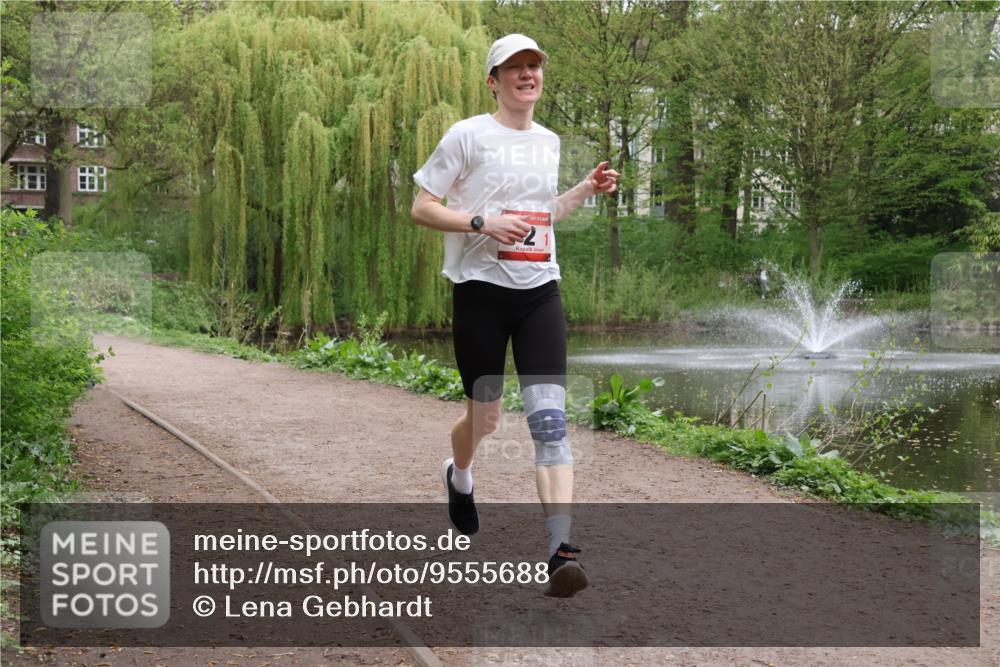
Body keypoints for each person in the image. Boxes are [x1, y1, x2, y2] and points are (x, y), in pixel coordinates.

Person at [410, 33, 618, 598]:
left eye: (534, 66)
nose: (528, 74)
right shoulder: (467, 135)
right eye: (515, 67)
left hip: (539, 293)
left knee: (550, 422)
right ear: (493, 81)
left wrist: (584, 189)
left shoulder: (549, 141)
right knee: (485, 419)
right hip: (480, 291)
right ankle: (459, 474)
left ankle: (560, 549)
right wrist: (481, 223)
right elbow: (423, 207)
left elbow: (543, 214)